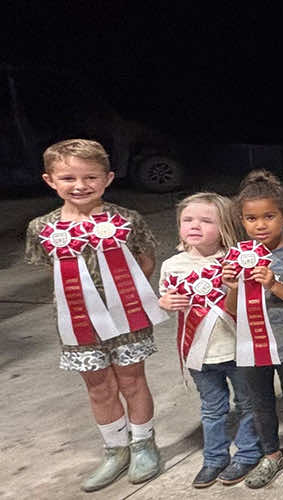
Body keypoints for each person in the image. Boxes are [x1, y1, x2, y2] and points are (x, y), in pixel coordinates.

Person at [25, 139, 163, 492]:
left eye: (90, 176)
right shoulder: (42, 228)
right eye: (68, 177)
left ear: (108, 178)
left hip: (127, 320)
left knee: (133, 381)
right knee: (99, 387)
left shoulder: (127, 220)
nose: (80, 185)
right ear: (49, 181)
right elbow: (52, 273)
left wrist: (124, 295)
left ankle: (144, 444)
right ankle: (115, 450)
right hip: (77, 324)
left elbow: (144, 262)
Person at [159, 192, 262, 488]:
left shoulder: (236, 261)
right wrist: (165, 302)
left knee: (246, 403)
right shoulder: (172, 265)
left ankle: (247, 452)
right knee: (212, 408)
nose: (195, 226)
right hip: (199, 353)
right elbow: (166, 297)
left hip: (237, 348)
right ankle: (214, 458)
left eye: (206, 221)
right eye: (187, 220)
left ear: (226, 227)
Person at [223, 171, 283, 489]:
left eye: (269, 216)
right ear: (241, 220)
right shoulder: (238, 257)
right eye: (251, 218)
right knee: (259, 401)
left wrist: (274, 284)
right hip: (251, 346)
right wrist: (233, 285)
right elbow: (231, 307)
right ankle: (272, 454)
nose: (260, 225)